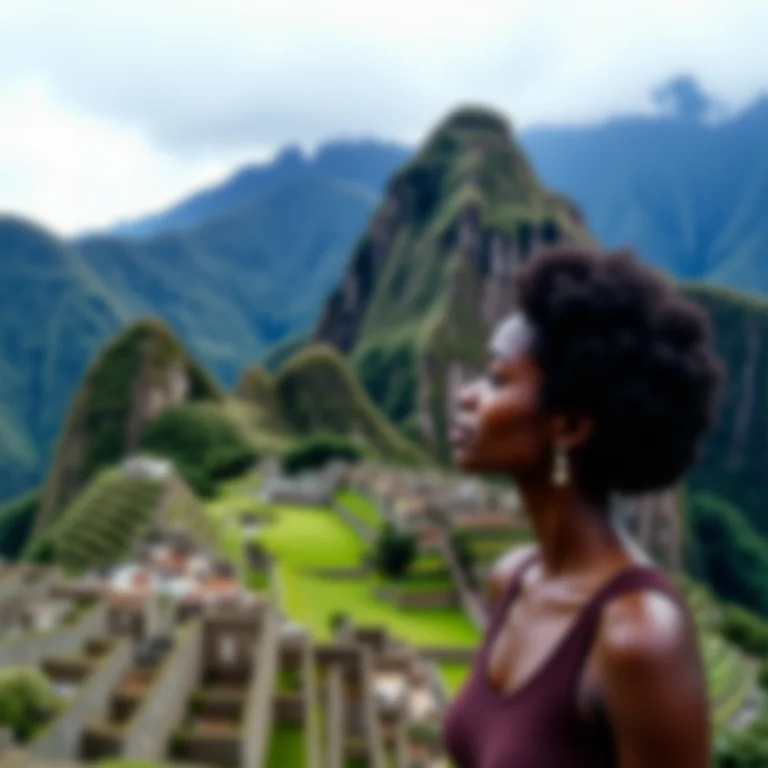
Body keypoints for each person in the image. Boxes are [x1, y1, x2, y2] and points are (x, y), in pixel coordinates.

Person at [442, 245, 723, 767]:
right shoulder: (511, 579)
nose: (467, 396)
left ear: (569, 426)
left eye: (498, 380)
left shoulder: (638, 637)